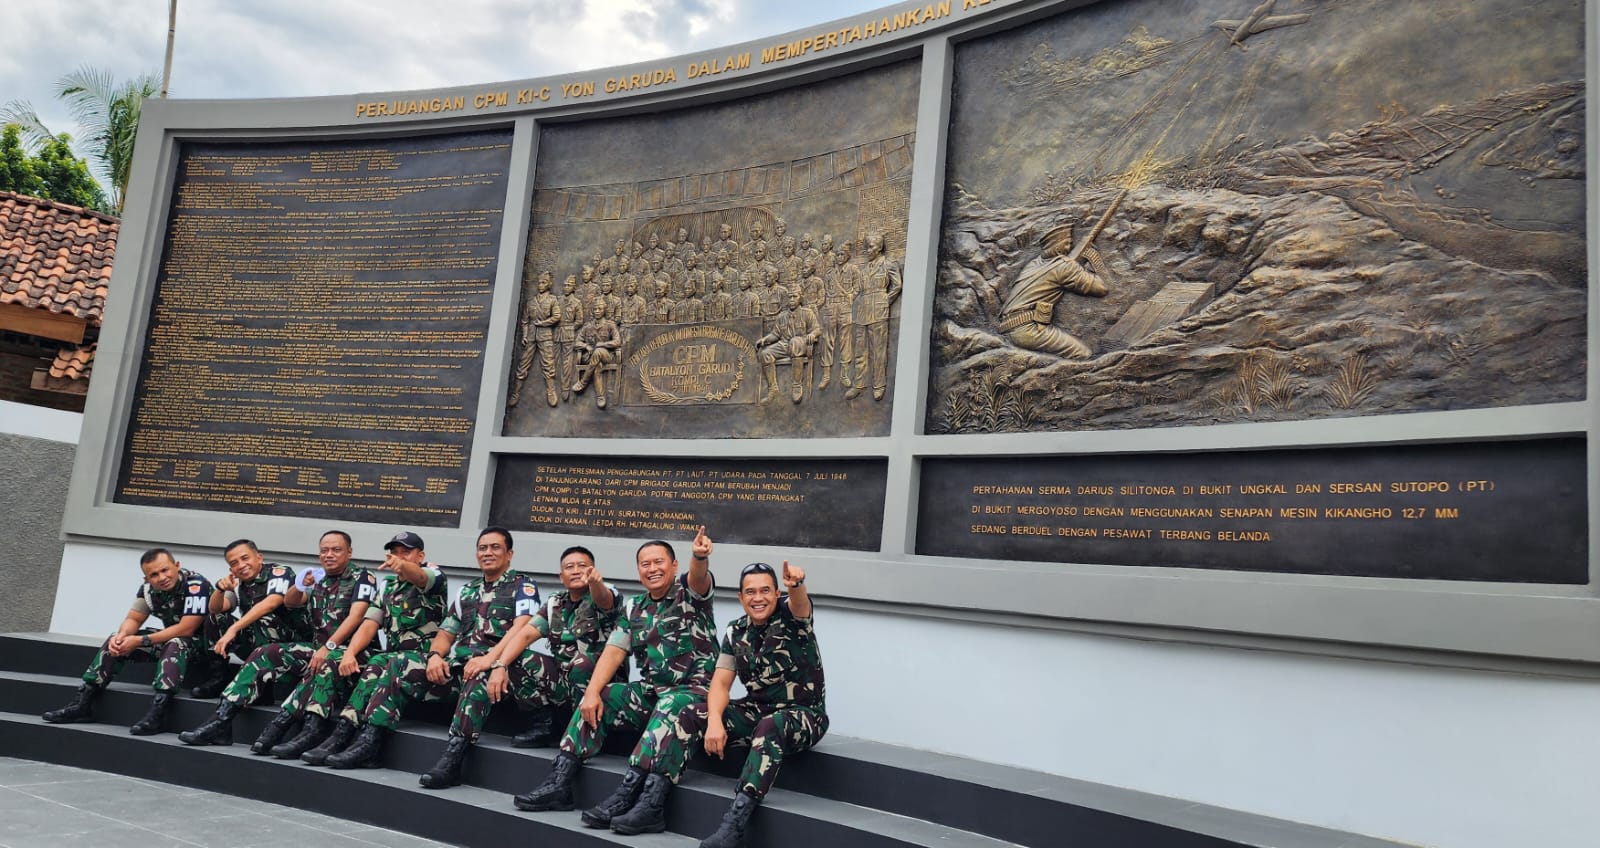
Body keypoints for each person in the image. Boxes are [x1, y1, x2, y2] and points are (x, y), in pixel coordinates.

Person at [515, 528, 718, 838]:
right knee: (606, 694)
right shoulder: (633, 607)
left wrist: (700, 557)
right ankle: (560, 782)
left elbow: (700, 578)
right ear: (638, 571)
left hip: (696, 693)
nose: (653, 569)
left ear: (675, 566)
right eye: (645, 564)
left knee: (671, 703)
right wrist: (593, 693)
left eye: (659, 562)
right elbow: (613, 650)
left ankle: (644, 801)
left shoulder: (689, 594)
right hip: (653, 692)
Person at [326, 527, 539, 789]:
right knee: (397, 664)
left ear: (509, 554)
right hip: (459, 667)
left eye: (495, 547)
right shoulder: (468, 591)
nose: (488, 553)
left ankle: (453, 757)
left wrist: (491, 660)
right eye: (483, 548)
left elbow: (522, 628)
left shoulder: (522, 585)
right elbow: (447, 631)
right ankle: (371, 741)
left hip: (496, 670)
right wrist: (436, 655)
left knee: (476, 675)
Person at [179, 531, 375, 748]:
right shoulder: (320, 578)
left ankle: (284, 728)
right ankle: (221, 721)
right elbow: (292, 602)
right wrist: (300, 585)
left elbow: (356, 616)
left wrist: (329, 646)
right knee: (266, 652)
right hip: (318, 649)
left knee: (322, 660)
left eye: (336, 550)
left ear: (349, 552)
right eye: (324, 551)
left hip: (352, 653)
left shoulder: (362, 577)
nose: (329, 555)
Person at [683, 561, 826, 848]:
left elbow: (800, 604)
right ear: (740, 597)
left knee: (769, 725)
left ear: (776, 594)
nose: (757, 598)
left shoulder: (792, 616)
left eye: (765, 591)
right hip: (757, 710)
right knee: (692, 713)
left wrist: (796, 585)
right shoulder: (736, 631)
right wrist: (713, 722)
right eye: (750, 592)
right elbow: (721, 683)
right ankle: (652, 798)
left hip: (803, 714)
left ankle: (734, 825)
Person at [286, 531, 451, 763]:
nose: (399, 557)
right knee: (337, 656)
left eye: (406, 552)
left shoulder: (434, 575)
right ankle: (322, 730)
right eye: (395, 552)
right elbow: (369, 624)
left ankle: (368, 741)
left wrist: (403, 565)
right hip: (391, 657)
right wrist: (350, 653)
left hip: (423, 659)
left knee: (382, 662)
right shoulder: (388, 585)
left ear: (420, 555)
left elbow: (421, 577)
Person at [461, 545, 619, 749]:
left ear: (594, 570)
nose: (577, 570)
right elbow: (525, 634)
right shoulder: (555, 604)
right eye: (570, 567)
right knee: (518, 656)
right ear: (561, 576)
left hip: (598, 685)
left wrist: (596, 584)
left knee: (583, 662)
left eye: (583, 566)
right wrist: (500, 665)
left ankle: (587, 730)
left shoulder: (606, 593)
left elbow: (604, 599)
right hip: (565, 681)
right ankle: (544, 726)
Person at [42, 548, 214, 735]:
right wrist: (121, 636)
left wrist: (140, 640)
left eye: (165, 570)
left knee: (176, 643)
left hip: (204, 646)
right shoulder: (148, 590)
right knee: (115, 640)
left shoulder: (196, 584)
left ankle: (159, 713)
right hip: (170, 639)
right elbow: (134, 619)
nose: (161, 577)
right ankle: (82, 704)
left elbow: (186, 629)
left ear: (177, 566)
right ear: (146, 579)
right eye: (154, 575)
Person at [191, 538, 307, 699]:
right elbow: (216, 608)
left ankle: (263, 685)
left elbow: (271, 603)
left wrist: (234, 628)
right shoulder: (239, 582)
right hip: (255, 644)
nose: (241, 565)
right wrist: (220, 589)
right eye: (234, 563)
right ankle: (219, 677)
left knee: (263, 618)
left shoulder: (279, 572)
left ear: (259, 557)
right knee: (215, 618)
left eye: (245, 558)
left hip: (289, 645)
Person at [997, 223, 1108, 358]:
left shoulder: (1034, 264)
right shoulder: (1064, 266)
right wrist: (1094, 261)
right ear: (1059, 245)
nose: (1069, 247)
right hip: (1029, 329)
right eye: (1067, 243)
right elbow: (1102, 289)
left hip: (1010, 327)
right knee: (1082, 354)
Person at [847, 232, 903, 401]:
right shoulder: (864, 270)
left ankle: (878, 385)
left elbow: (897, 285)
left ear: (879, 248)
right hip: (863, 312)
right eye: (867, 247)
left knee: (878, 350)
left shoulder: (888, 264)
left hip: (879, 310)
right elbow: (858, 289)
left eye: (870, 247)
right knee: (860, 350)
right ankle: (859, 383)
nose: (868, 250)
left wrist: (886, 300)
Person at [758, 289, 820, 404]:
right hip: (784, 345)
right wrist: (765, 339)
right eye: (789, 297)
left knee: (795, 342)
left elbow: (817, 329)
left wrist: (812, 334)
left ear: (800, 298)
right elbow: (775, 334)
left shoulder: (807, 313)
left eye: (794, 297)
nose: (791, 300)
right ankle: (773, 389)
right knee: (765, 354)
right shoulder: (782, 316)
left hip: (801, 344)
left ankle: (797, 384)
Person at [510, 271, 562, 408]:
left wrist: (543, 323)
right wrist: (525, 335)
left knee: (548, 364)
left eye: (544, 282)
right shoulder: (530, 302)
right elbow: (525, 321)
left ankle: (551, 391)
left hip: (545, 336)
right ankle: (515, 393)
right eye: (539, 282)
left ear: (549, 284)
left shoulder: (552, 300)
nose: (540, 285)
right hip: (531, 338)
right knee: (522, 365)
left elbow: (557, 317)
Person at [571, 301, 622, 409]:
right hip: (590, 358)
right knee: (596, 366)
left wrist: (602, 344)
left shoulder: (610, 325)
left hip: (606, 356)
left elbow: (617, 342)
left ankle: (583, 382)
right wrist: (585, 346)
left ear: (604, 311)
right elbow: (576, 343)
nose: (597, 311)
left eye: (600, 309)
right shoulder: (587, 327)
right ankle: (600, 396)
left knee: (598, 352)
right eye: (595, 309)